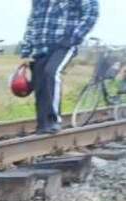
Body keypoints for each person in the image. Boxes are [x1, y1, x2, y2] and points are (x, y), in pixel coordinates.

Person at [20, 0, 100, 134]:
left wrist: (74, 37)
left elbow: (91, 13)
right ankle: (43, 125)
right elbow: (32, 23)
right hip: (40, 47)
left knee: (51, 73)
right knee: (39, 83)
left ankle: (53, 120)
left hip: (63, 44)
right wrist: (26, 52)